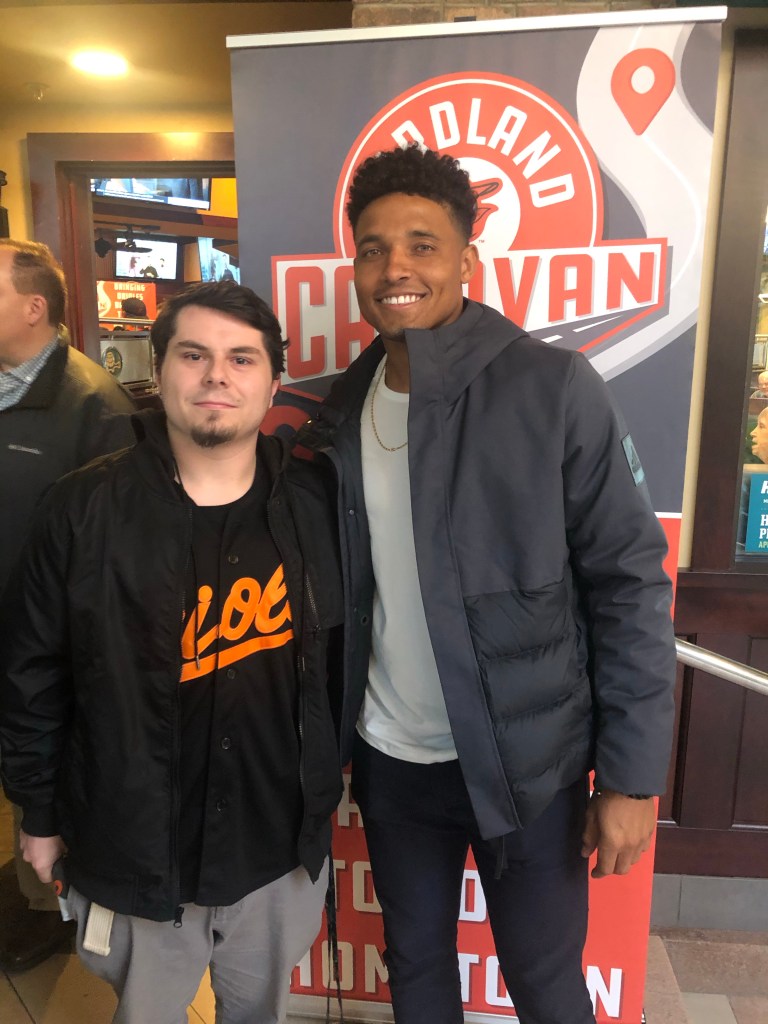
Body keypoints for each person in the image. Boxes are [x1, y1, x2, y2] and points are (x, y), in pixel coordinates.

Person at [296, 145, 676, 1024]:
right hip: (393, 763)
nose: (395, 268)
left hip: (527, 769)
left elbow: (628, 585)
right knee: (417, 970)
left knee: (545, 984)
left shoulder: (552, 386)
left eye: (422, 245)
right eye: (373, 249)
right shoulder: (343, 408)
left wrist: (630, 779)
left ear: (468, 261)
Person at [0, 281, 343, 1023]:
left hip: (274, 851)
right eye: (194, 355)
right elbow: (31, 677)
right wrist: (39, 813)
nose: (217, 375)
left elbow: (343, 658)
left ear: (273, 382)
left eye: (242, 358)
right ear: (159, 373)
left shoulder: (315, 504)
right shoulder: (80, 509)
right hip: (132, 852)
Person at [0, 238, 134, 972]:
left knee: (42, 769)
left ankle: (45, 907)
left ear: (33, 307)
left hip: (45, 642)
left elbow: (107, 557)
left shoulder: (95, 405)